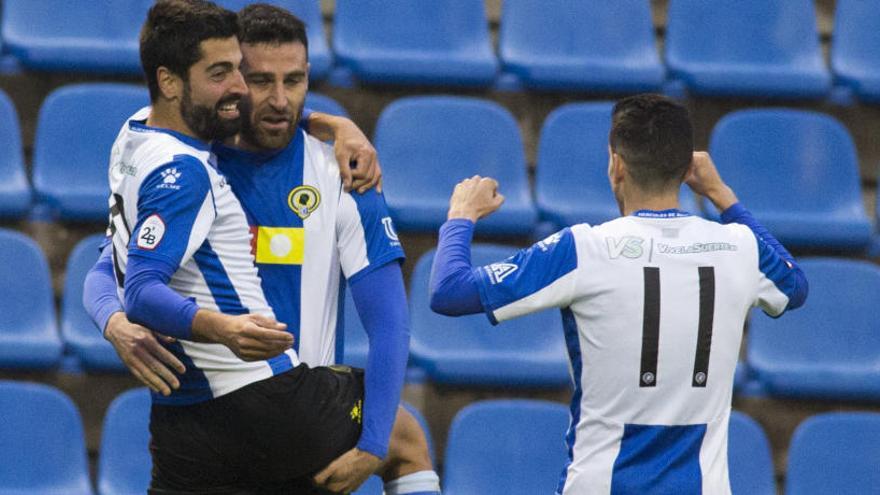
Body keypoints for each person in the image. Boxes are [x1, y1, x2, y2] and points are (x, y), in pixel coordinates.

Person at [83, 1, 439, 493]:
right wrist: (115, 321)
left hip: (294, 421)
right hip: (252, 415)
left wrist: (372, 445)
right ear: (227, 83)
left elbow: (390, 322)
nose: (278, 100)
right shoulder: (190, 161)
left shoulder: (343, 173)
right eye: (257, 80)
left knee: (402, 437)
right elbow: (111, 265)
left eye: (294, 82)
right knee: (407, 435)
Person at [429, 94, 808, 494]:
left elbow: (449, 291)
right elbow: (793, 285)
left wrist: (461, 216)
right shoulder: (739, 246)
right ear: (686, 170)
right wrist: (722, 195)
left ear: (617, 165)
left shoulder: (584, 249)